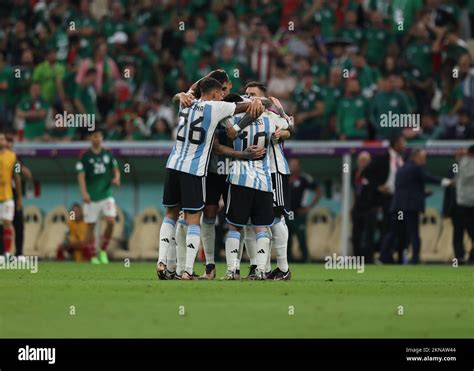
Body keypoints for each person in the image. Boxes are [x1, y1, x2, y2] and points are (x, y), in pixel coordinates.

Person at [156, 77, 265, 280]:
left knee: (170, 215)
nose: (223, 96)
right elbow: (241, 107)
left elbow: (178, 96)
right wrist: (257, 102)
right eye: (220, 93)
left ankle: (162, 262)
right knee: (193, 221)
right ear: (215, 94)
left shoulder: (186, 100)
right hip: (193, 171)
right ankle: (187, 270)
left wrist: (181, 94)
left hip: (173, 165)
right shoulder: (216, 107)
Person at [223, 98, 287, 280]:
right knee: (261, 228)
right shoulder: (270, 118)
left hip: (239, 178)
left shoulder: (231, 118)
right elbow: (289, 126)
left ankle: (231, 270)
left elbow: (227, 133)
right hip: (264, 180)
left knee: (235, 227)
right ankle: (260, 270)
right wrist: (282, 113)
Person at [243, 81, 293, 280]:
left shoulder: (270, 117)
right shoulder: (242, 117)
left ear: (263, 99)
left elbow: (290, 128)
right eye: (246, 94)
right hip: (252, 173)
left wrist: (283, 128)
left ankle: (283, 268)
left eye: (252, 94)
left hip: (274, 171)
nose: (248, 97)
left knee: (275, 217)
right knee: (251, 222)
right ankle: (257, 266)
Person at [380, 149, 451, 264]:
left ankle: (383, 257)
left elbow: (407, 189)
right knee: (414, 233)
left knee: (393, 232)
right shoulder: (416, 168)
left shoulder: (401, 168)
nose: (425, 160)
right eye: (423, 157)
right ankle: (415, 259)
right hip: (410, 208)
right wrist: (447, 182)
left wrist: (422, 194)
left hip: (398, 207)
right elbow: (429, 178)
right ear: (416, 157)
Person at [76, 130, 121, 264]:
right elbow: (81, 176)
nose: (98, 139)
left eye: (100, 136)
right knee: (90, 226)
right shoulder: (85, 156)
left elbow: (116, 170)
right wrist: (84, 193)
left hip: (106, 195)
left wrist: (117, 179)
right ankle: (93, 255)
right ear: (91, 138)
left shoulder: (108, 154)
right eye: (95, 136)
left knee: (111, 221)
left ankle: (103, 250)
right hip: (91, 197)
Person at [362, 133, 407, 262]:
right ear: (396, 144)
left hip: (401, 199)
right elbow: (366, 173)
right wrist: (378, 186)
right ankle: (384, 256)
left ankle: (399, 257)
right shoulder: (381, 158)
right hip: (386, 199)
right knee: (388, 228)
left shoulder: (404, 159)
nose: (404, 145)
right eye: (402, 142)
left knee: (400, 228)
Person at [287, 158, 321, 262]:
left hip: (299, 213)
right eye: (291, 165)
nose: (293, 167)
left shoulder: (305, 179)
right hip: (286, 213)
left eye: (295, 165)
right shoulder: (284, 177)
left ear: (299, 166)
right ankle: (287, 261)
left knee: (301, 237)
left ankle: (306, 259)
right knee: (286, 238)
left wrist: (308, 207)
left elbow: (318, 191)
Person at [0, 132, 22, 261]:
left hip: (8, 196)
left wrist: (19, 197)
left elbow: (17, 175)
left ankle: (8, 253)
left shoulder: (13, 156)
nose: (1, 141)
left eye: (2, 138)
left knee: (8, 223)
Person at [351, 151, 375, 262]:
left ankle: (369, 259)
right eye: (361, 160)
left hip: (369, 209)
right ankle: (357, 259)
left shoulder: (373, 173)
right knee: (356, 235)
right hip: (357, 208)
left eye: (365, 160)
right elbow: (354, 191)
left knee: (369, 235)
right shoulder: (354, 172)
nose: (363, 163)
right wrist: (352, 204)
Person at [454, 145, 474, 263]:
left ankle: (459, 257)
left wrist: (458, 159)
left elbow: (455, 179)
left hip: (460, 203)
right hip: (471, 204)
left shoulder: (460, 163)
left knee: (458, 232)